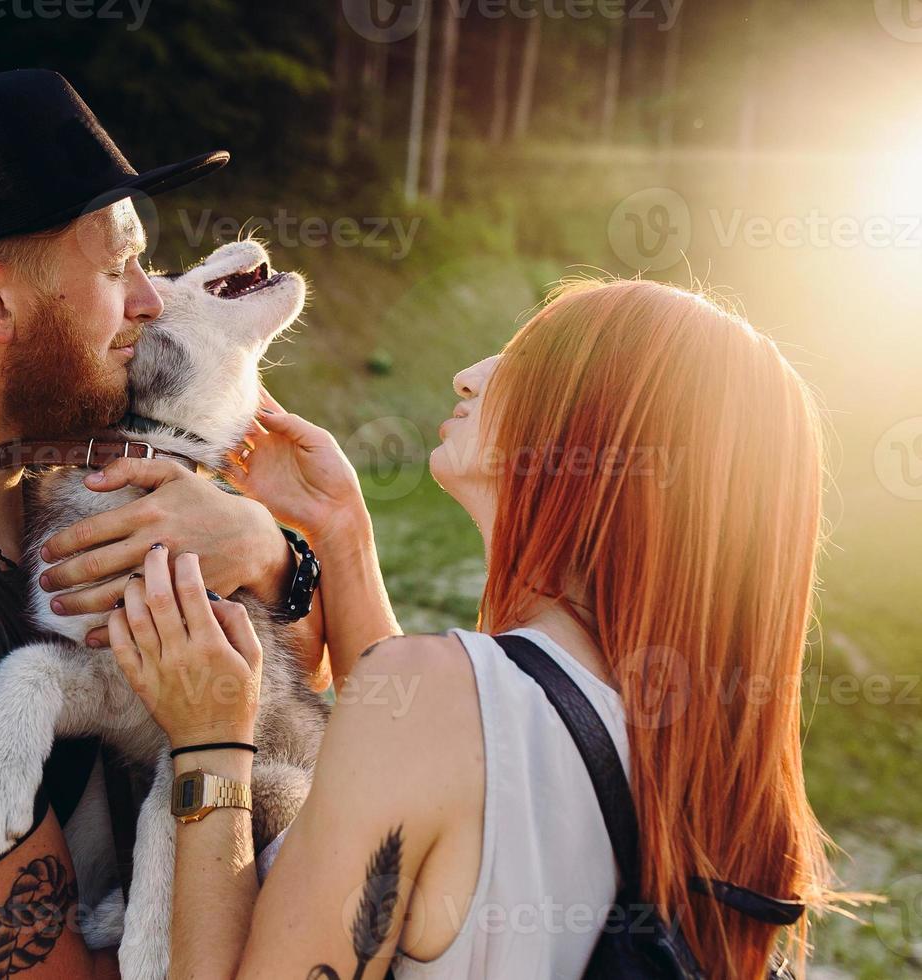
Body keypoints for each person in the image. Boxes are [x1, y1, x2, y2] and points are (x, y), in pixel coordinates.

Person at [106, 279, 839, 979]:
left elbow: (422, 739)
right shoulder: (666, 726)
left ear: (598, 437)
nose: (468, 374)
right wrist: (340, 534)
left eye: (524, 363)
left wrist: (210, 743)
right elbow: (431, 767)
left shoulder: (443, 702)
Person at [0, 70, 326, 980]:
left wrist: (270, 555)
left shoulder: (60, 485)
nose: (150, 302)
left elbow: (283, 693)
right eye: (118, 270)